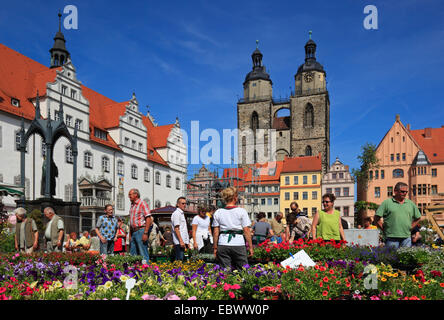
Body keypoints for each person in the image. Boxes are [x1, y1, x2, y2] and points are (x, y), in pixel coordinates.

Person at [212, 187, 253, 270]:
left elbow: (216, 232)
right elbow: (246, 231)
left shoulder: (218, 212)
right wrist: (250, 247)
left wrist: (215, 247)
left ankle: (225, 282)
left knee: (225, 271)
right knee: (243, 270)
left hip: (223, 243)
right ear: (235, 198)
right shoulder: (242, 211)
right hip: (238, 243)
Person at [374, 182, 421, 249]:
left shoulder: (410, 204)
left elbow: (418, 217)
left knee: (405, 258)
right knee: (391, 258)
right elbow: (376, 218)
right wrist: (383, 229)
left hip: (406, 237)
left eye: (406, 192)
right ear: (395, 191)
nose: (404, 193)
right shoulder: (387, 203)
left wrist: (411, 227)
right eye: (402, 191)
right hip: (391, 237)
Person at [128, 189, 152, 262]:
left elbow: (148, 218)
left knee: (143, 252)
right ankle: (132, 270)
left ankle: (146, 269)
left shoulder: (142, 203)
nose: (129, 196)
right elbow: (131, 220)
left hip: (141, 230)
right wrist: (130, 234)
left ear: (136, 195)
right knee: (133, 253)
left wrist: (145, 233)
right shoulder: (132, 205)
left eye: (130, 194)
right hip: (134, 231)